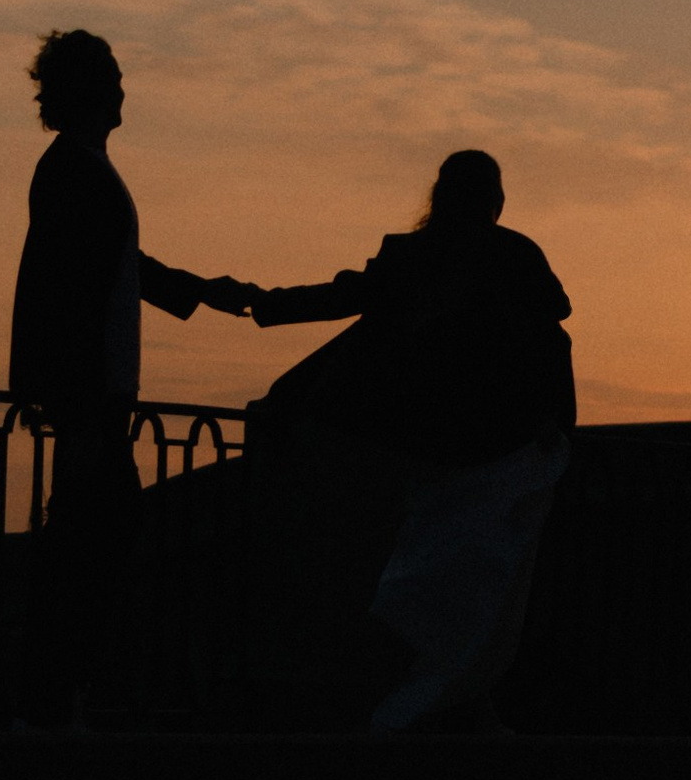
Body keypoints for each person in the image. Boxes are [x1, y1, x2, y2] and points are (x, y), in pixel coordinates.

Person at [234, 149, 574, 733]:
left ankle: (434, 695)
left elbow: (346, 299)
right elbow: (551, 339)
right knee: (479, 583)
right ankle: (453, 696)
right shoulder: (513, 257)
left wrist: (260, 302)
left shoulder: (419, 256)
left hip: (424, 444)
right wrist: (556, 422)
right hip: (487, 446)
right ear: (495, 200)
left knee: (425, 577)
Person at [7, 28, 253, 728]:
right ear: (90, 90)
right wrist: (74, 403)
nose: (123, 88)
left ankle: (63, 693)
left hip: (91, 399)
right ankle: (65, 695)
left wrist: (200, 289)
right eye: (113, 76)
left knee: (88, 544)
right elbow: (71, 290)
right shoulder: (74, 173)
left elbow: (113, 267)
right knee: (94, 548)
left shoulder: (75, 169)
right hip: (91, 401)